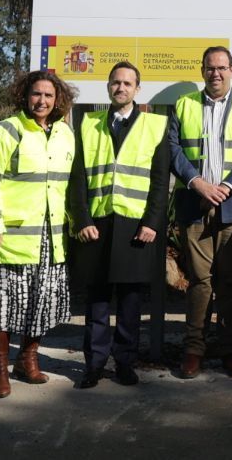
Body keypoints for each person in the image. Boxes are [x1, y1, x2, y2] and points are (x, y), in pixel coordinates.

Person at [0, 70, 77, 398]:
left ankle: (27, 360)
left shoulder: (65, 134)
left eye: (48, 95)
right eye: (36, 94)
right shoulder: (7, 131)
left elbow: (69, 186)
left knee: (43, 302)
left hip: (51, 238)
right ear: (25, 96)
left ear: (58, 99)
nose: (42, 101)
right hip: (10, 238)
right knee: (1, 306)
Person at [69, 61, 171, 389]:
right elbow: (78, 178)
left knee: (130, 302)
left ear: (137, 90)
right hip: (97, 225)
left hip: (136, 227)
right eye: (116, 82)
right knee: (97, 301)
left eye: (128, 83)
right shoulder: (88, 124)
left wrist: (153, 222)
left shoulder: (155, 126)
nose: (121, 88)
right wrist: (81, 219)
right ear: (108, 86)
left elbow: (159, 180)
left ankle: (125, 362)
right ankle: (94, 364)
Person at [168, 46, 232, 379]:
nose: (216, 74)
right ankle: (194, 349)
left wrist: (226, 187)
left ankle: (228, 349)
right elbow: (173, 148)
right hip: (194, 205)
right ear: (202, 71)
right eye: (210, 68)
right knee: (199, 281)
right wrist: (197, 183)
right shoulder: (184, 104)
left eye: (222, 68)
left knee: (230, 281)